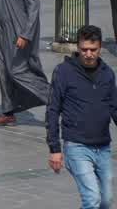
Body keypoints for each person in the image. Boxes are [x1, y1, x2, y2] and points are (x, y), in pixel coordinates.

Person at [47, 24, 117, 209]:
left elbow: (114, 108)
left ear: (100, 48)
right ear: (78, 47)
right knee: (92, 199)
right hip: (77, 147)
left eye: (93, 49)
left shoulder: (107, 74)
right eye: (84, 49)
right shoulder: (64, 72)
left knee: (106, 201)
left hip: (103, 147)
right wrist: (54, 148)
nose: (88, 54)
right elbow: (53, 109)